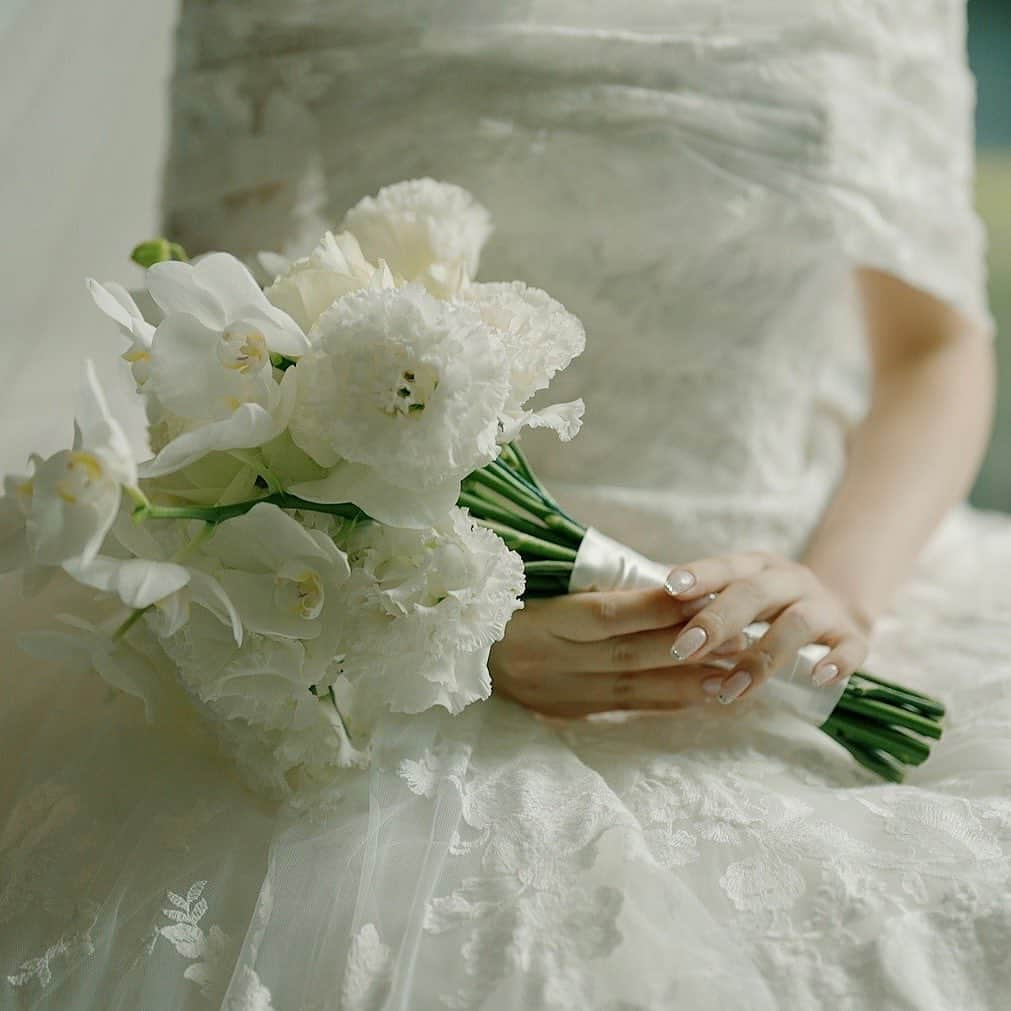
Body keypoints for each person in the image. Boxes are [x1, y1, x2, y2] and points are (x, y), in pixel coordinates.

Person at [3, 2, 1010, 1008]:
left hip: (798, 590)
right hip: (384, 634)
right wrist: (438, 617)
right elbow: (220, 356)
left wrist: (836, 600)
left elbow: (935, 347)